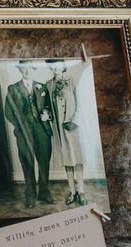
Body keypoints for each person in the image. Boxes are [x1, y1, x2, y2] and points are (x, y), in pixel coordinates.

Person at [4, 62, 54, 210]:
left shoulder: (42, 87)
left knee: (44, 160)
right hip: (24, 130)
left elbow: (48, 107)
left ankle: (44, 193)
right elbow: (8, 112)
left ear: (33, 70)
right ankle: (30, 195)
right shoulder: (13, 88)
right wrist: (20, 126)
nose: (27, 72)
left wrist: (47, 114)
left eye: (29, 69)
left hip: (41, 129)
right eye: (23, 69)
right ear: (20, 71)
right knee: (27, 161)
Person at [48, 61, 88, 206]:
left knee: (77, 159)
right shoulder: (49, 85)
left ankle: (81, 191)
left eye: (57, 64)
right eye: (51, 65)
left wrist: (74, 121)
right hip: (59, 128)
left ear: (63, 65)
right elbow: (49, 107)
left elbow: (81, 103)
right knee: (67, 160)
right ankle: (72, 191)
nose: (54, 67)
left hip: (73, 127)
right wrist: (48, 115)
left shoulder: (72, 81)